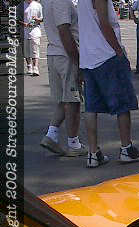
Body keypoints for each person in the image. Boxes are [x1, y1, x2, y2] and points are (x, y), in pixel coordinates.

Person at [77, 0, 139, 167]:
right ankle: (126, 149)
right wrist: (118, 50)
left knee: (91, 107)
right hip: (106, 55)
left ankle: (93, 153)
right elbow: (104, 23)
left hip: (88, 57)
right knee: (122, 104)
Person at [39, 0, 87, 158]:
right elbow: (64, 31)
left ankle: (51, 135)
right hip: (65, 55)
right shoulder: (61, 1)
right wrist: (77, 61)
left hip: (54, 52)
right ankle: (74, 143)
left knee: (64, 100)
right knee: (73, 100)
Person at [23, 0, 43, 75]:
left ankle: (35, 68)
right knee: (26, 51)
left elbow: (42, 18)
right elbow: (16, 19)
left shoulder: (38, 5)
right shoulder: (20, 6)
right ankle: (29, 67)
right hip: (25, 31)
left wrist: (37, 19)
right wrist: (24, 24)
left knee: (35, 49)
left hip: (35, 30)